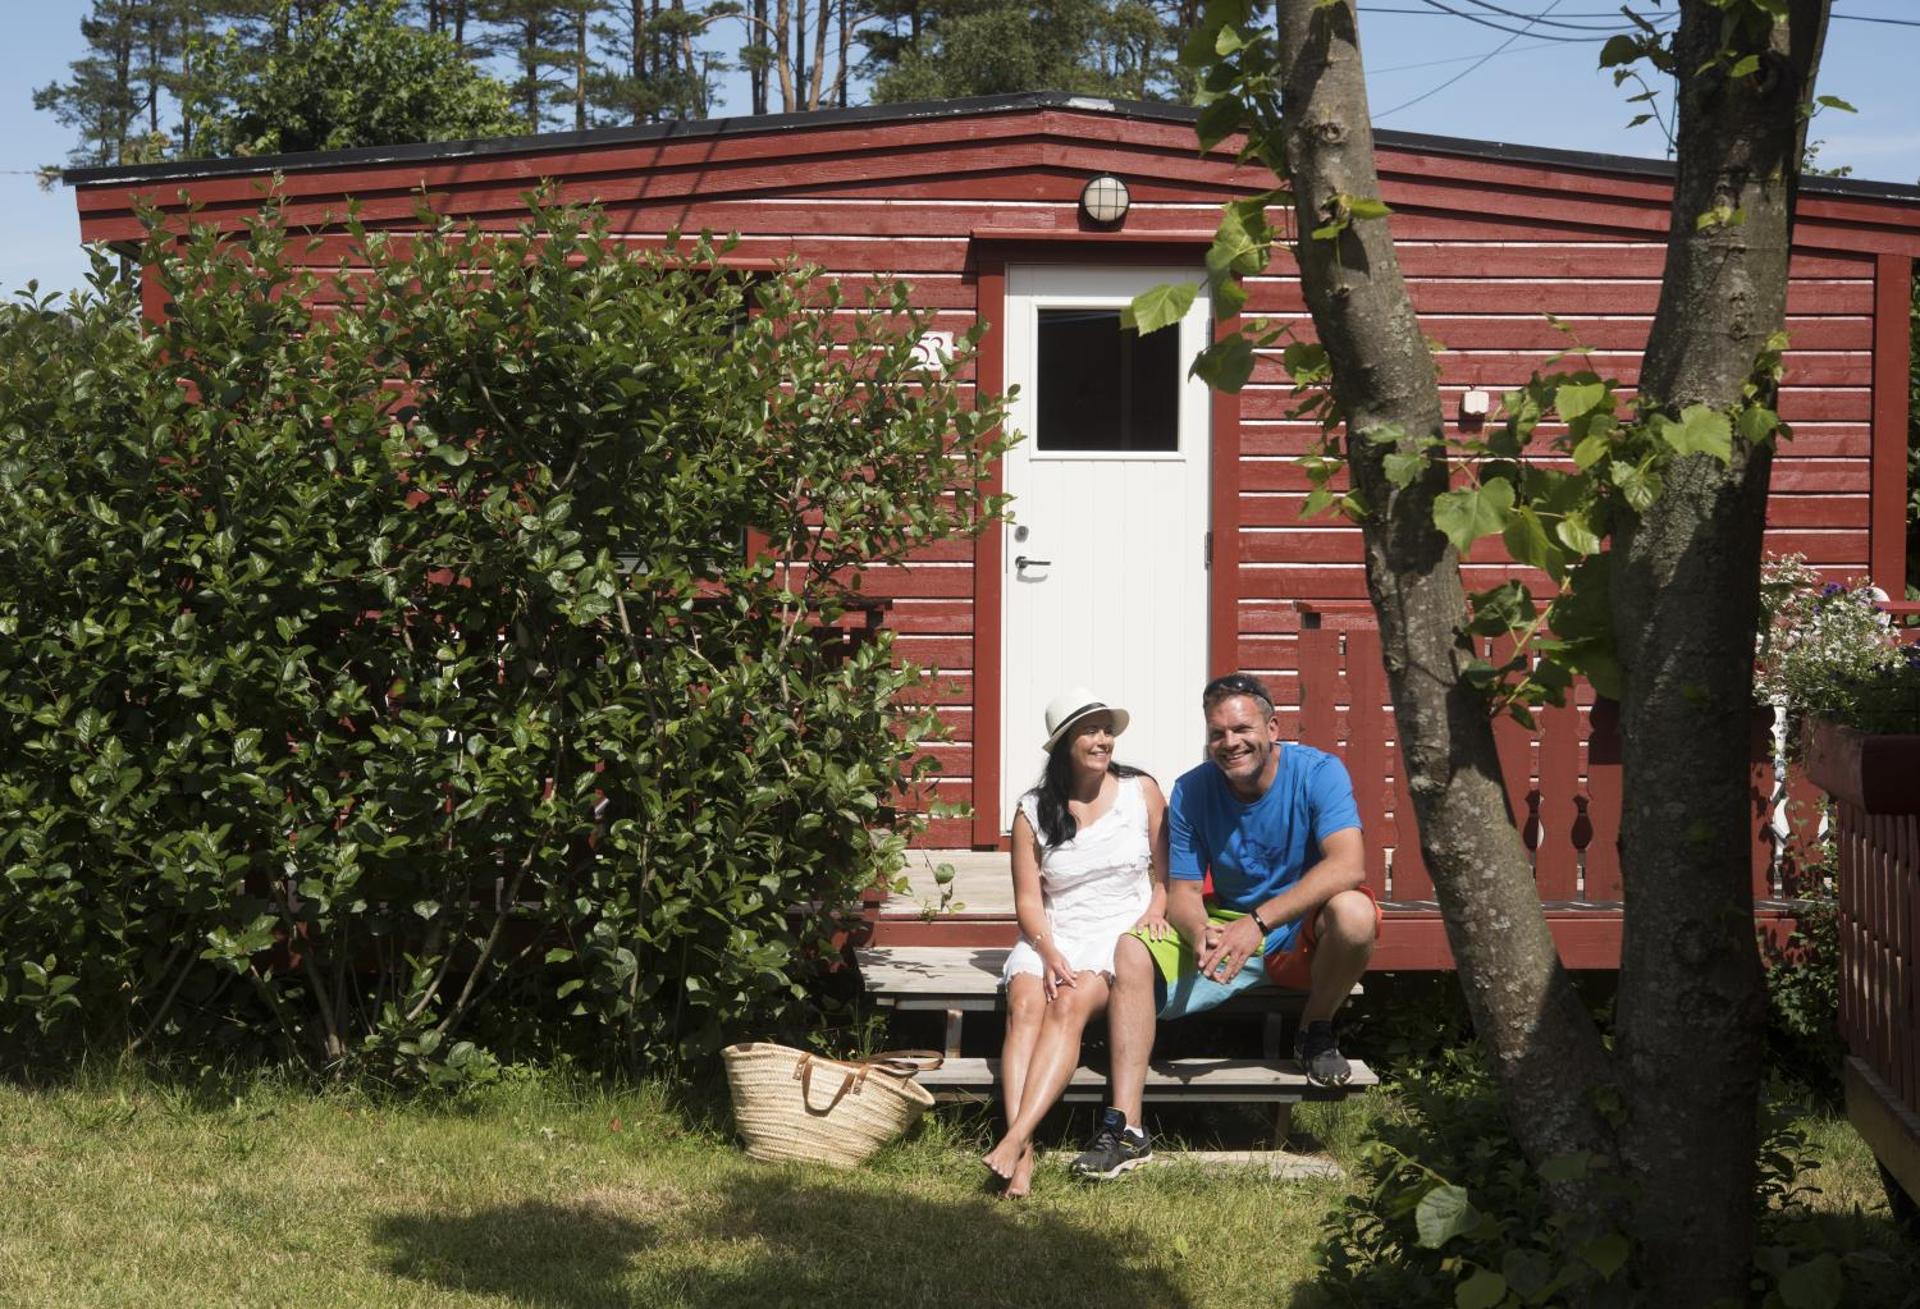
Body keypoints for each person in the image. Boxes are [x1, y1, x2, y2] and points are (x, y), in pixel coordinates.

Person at [1068, 672, 1379, 1181]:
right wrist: (1198, 933)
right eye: (1217, 733)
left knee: (1355, 913)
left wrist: (1258, 922)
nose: (1230, 742)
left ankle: (1315, 1030)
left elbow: (1348, 865)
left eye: (1242, 729)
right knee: (1131, 949)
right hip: (1226, 927)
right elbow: (1184, 893)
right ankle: (1126, 1128)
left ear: (1272, 729)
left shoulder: (1318, 772)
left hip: (1297, 929)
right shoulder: (1192, 790)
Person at [981, 687, 1170, 1196]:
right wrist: (1047, 950)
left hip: (1117, 932)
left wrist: (1156, 909)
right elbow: (1027, 901)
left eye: (1107, 730)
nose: (1103, 740)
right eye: (1090, 731)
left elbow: (1168, 873)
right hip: (1053, 931)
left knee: (1067, 1004)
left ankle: (1014, 1140)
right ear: (1065, 743)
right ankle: (1022, 1155)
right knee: (1025, 1004)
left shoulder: (1141, 791)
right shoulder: (1033, 810)